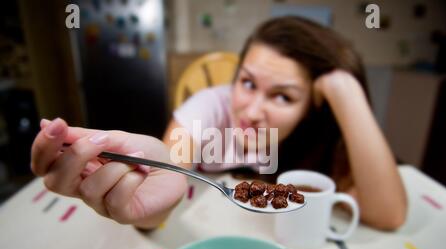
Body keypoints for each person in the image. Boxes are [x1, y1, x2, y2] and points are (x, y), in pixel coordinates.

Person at [31, 16, 407, 231]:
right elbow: (166, 179)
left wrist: (348, 93)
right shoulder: (207, 109)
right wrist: (148, 197)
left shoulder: (318, 138)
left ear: (312, 109)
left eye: (283, 96)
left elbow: (388, 215)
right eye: (247, 82)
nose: (252, 109)